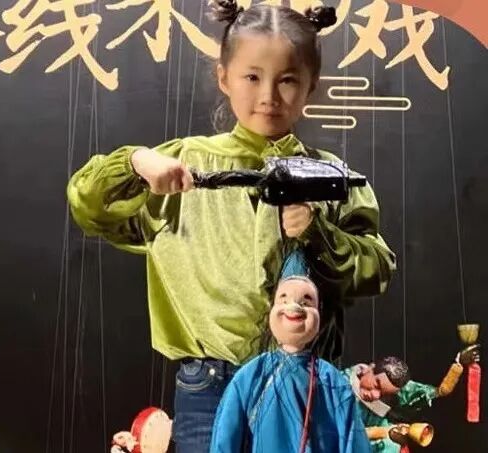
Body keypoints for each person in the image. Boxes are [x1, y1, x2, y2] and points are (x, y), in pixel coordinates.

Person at [67, 1, 396, 451]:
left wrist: (317, 233)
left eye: (287, 80)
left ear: (311, 85)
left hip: (304, 385)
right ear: (224, 77)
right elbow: (89, 205)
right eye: (252, 77)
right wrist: (135, 163)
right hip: (210, 386)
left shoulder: (333, 177)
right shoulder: (186, 162)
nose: (269, 96)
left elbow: (377, 268)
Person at [209, 249, 370, 452]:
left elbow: (353, 442)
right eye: (283, 299)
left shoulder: (333, 382)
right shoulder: (251, 376)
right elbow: (225, 438)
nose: (294, 307)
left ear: (319, 312)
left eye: (306, 301)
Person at [347, 349, 480, 452]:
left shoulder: (385, 399)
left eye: (383, 394)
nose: (376, 395)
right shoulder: (338, 385)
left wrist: (458, 364)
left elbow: (439, 391)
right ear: (370, 368)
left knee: (393, 446)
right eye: (376, 384)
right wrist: (385, 432)